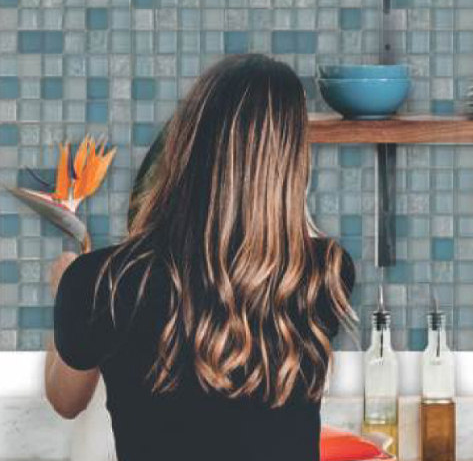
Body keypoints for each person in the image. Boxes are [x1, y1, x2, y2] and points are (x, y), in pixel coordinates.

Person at [45, 54, 356, 461]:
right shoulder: (325, 273)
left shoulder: (102, 279)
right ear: (292, 165)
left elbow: (66, 400)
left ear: (184, 144)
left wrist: (64, 291)